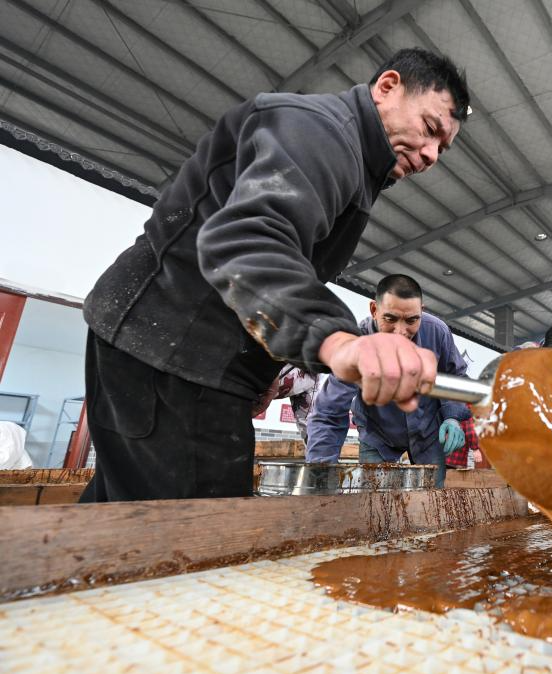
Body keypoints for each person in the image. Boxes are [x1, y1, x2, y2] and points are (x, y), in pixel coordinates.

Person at [79, 47, 469, 502]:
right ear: (387, 87)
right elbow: (249, 240)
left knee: (123, 515)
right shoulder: (321, 131)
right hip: (174, 351)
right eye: (430, 129)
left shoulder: (355, 163)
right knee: (194, 532)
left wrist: (262, 368)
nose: (431, 155)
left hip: (181, 354)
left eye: (442, 148)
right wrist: (338, 341)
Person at [305, 274, 469, 487]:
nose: (400, 332)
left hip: (428, 432)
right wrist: (321, 474)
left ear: (421, 311)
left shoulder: (437, 332)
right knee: (373, 499)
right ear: (374, 309)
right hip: (378, 435)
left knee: (431, 499)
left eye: (412, 320)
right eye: (390, 319)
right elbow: (329, 412)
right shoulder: (357, 343)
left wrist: (452, 416)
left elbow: (455, 376)